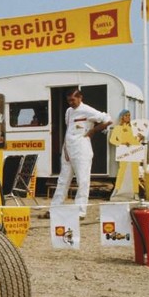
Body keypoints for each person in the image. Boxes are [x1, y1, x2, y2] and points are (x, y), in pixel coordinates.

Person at [51, 89, 113, 218]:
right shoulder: (68, 111)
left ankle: (80, 211)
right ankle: (55, 207)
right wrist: (65, 149)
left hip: (82, 149)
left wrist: (94, 130)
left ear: (80, 98)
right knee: (63, 180)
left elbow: (107, 119)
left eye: (73, 100)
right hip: (68, 149)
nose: (71, 103)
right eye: (69, 100)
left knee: (83, 180)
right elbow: (69, 130)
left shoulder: (88, 110)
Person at [109, 109, 143, 201]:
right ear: (122, 117)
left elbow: (136, 140)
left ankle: (135, 193)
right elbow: (112, 140)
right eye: (126, 115)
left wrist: (140, 139)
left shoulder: (134, 128)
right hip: (123, 152)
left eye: (129, 115)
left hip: (134, 152)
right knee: (122, 171)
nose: (128, 117)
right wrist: (122, 143)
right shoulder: (117, 128)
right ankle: (117, 191)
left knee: (135, 172)